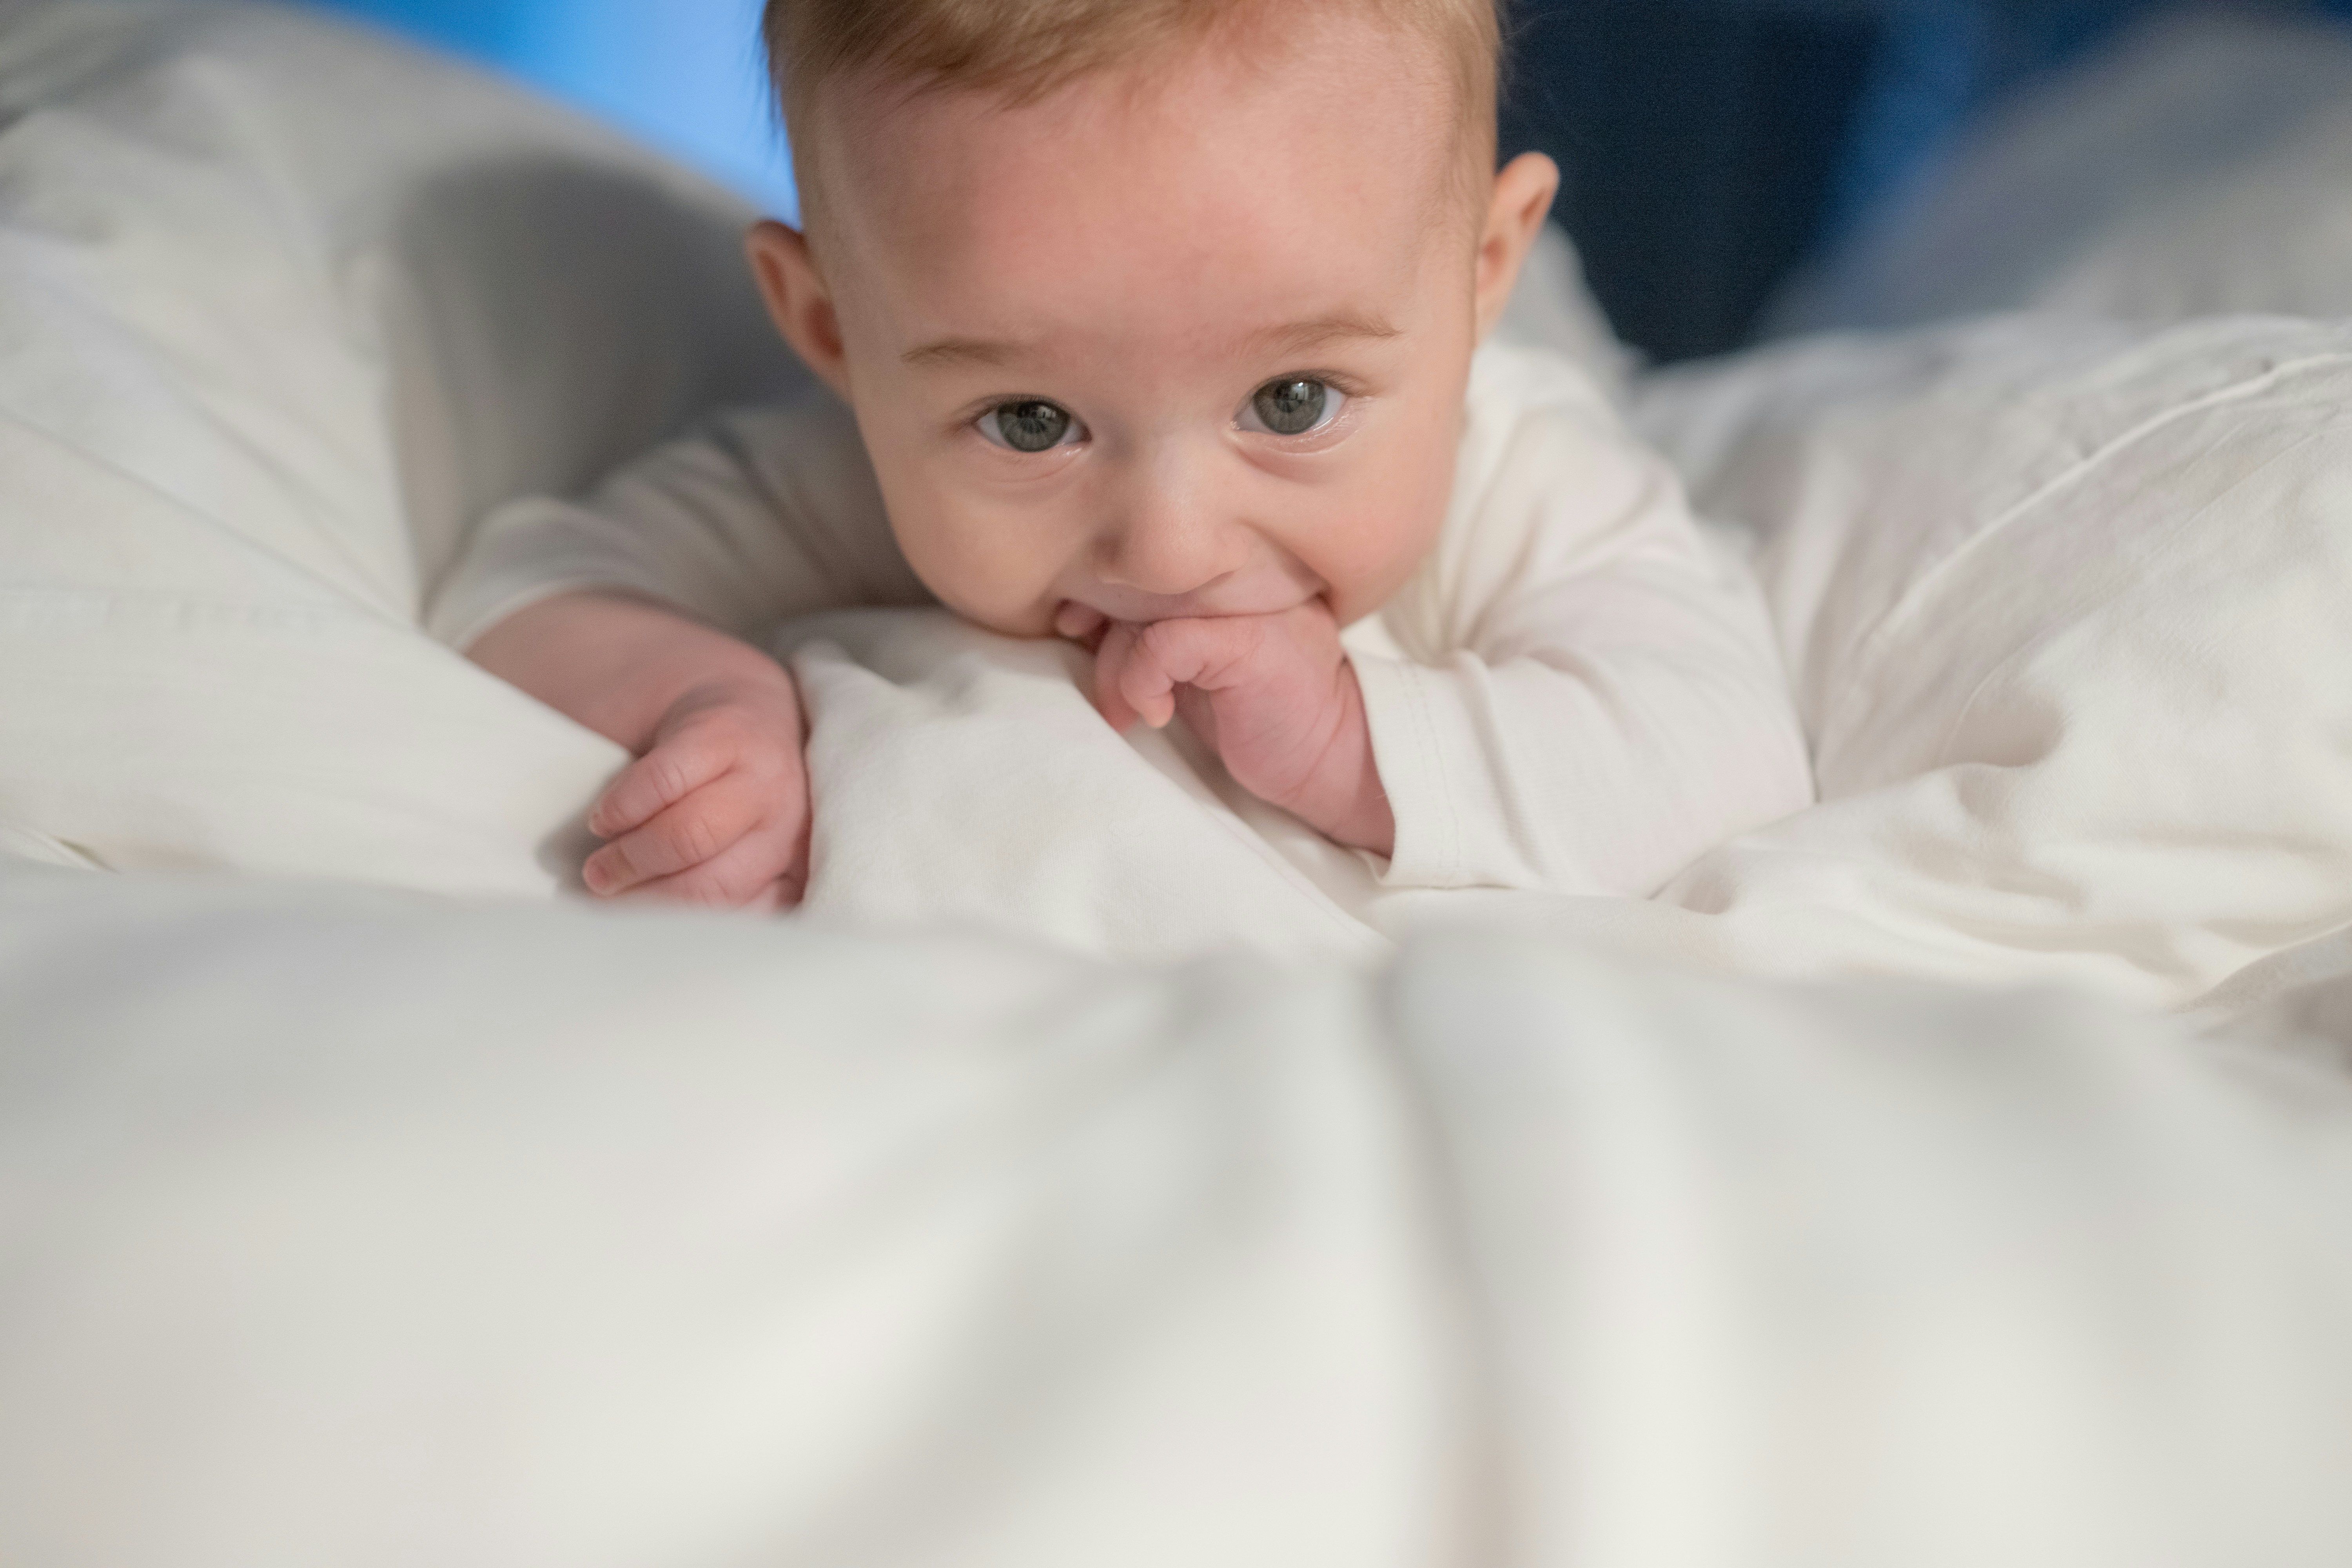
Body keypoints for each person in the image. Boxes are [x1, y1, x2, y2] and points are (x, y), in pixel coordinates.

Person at [430, 0, 1815, 911]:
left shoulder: (1517, 468)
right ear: (833, 330)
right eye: (1033, 422)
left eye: (1291, 403)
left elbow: (1725, 751)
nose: (1169, 547)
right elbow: (533, 582)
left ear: (1477, 273)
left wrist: (1344, 743)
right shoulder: (850, 470)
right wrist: (704, 699)